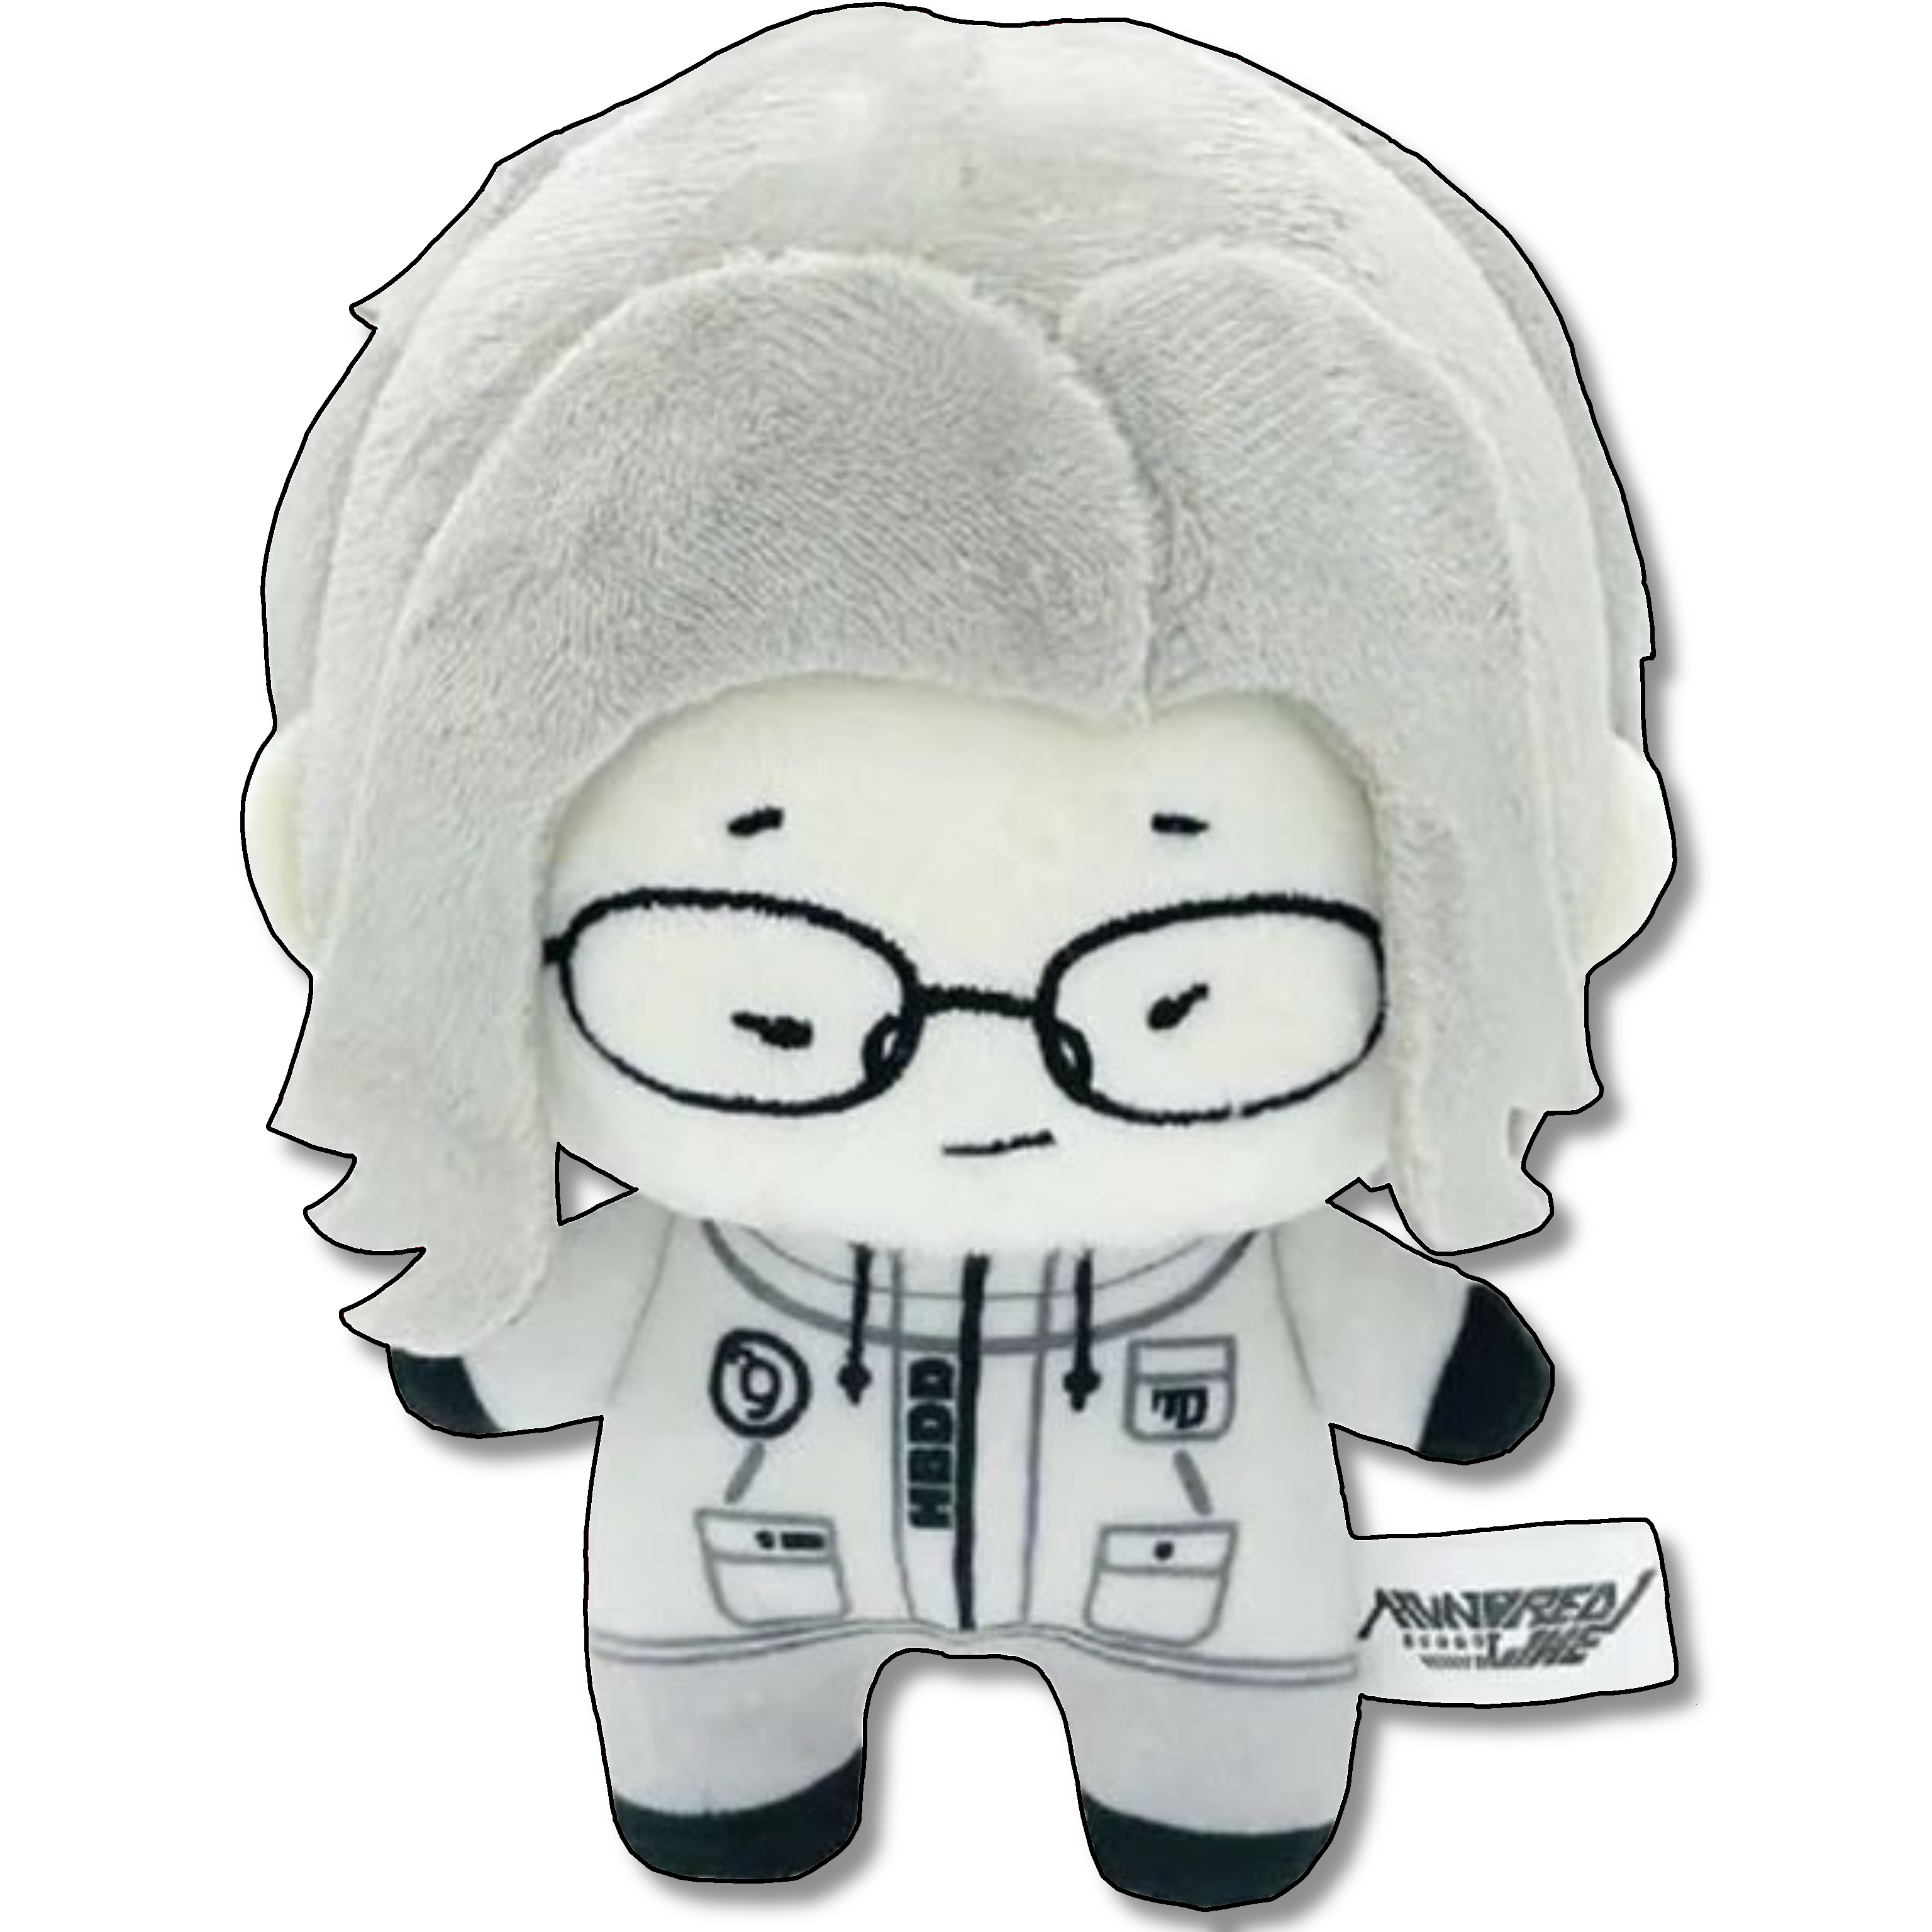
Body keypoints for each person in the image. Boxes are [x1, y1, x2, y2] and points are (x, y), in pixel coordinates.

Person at [240, 11, 1670, 1904]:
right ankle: (757, 1796)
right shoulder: (712, 1246)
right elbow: (500, 1366)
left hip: (1188, 1585)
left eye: (1159, 978)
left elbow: (1441, 1366)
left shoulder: (1195, 1253)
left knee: (1221, 1779)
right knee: (722, 1748)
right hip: (744, 1582)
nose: (979, 1055)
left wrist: (1457, 1365)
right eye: (789, 978)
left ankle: (1200, 1800)